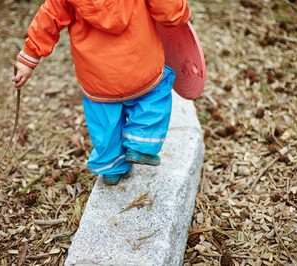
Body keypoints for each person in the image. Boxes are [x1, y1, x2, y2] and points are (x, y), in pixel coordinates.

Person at [11, 0, 191, 185]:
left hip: (97, 78)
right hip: (140, 67)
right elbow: (169, 10)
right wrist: (182, 14)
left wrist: (28, 58)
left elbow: (48, 18)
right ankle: (141, 143)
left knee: (105, 124)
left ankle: (111, 168)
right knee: (155, 95)